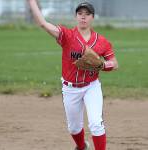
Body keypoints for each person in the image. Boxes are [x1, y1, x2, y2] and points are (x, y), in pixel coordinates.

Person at [27, 0, 119, 150]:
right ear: (76, 16)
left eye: (87, 14)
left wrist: (103, 65)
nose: (83, 17)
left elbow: (114, 63)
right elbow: (43, 23)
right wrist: (31, 2)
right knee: (74, 128)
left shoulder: (101, 41)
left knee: (96, 123)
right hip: (70, 89)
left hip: (91, 86)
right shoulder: (67, 35)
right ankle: (82, 146)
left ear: (92, 18)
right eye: (80, 13)